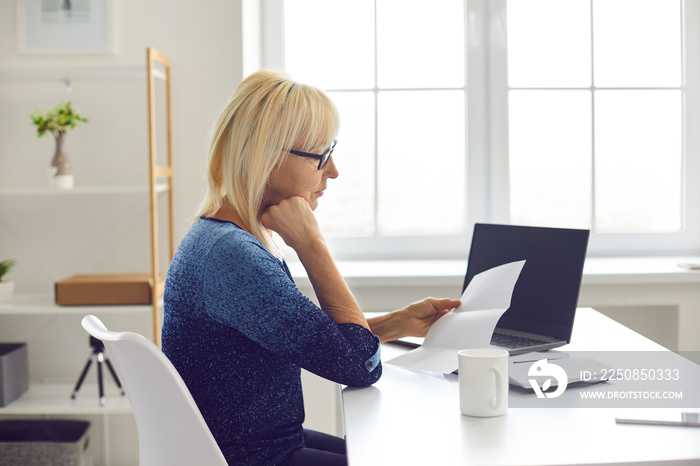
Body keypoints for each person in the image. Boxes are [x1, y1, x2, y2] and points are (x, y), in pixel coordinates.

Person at [161, 70, 460, 466]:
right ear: (265, 159)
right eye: (321, 155)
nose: (332, 170)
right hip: (258, 457)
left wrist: (395, 324)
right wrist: (312, 245)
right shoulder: (233, 258)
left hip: (261, 444)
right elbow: (359, 367)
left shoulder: (221, 239)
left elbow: (316, 340)